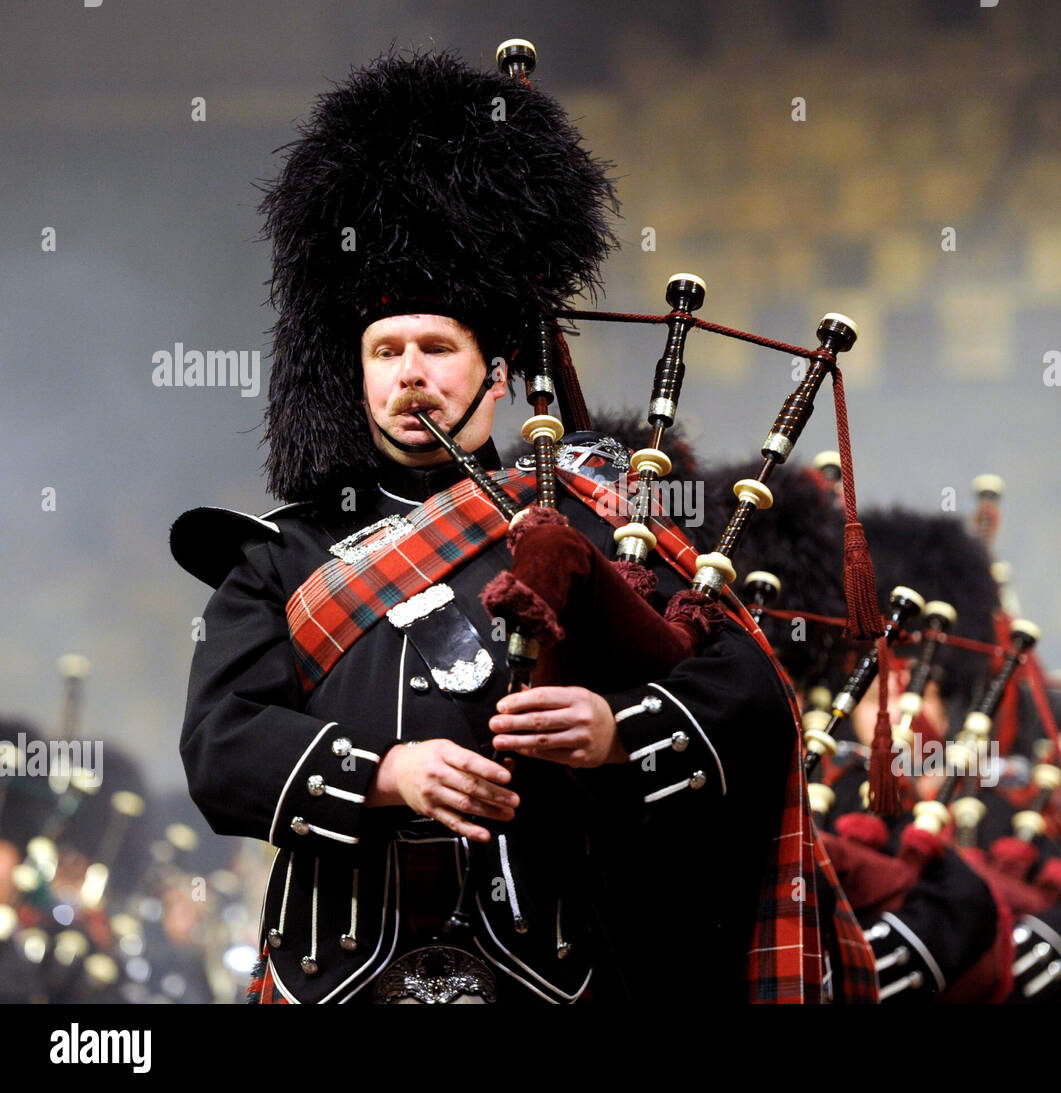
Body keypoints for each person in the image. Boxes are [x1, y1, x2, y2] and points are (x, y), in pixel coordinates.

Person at [172, 46, 869, 1005]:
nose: (409, 372)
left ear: (496, 376)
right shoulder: (278, 553)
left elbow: (748, 694)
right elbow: (218, 744)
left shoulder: (594, 523)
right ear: (357, 374)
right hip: (328, 982)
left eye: (435, 347)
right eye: (385, 351)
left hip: (553, 978)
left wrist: (615, 728)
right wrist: (390, 771)